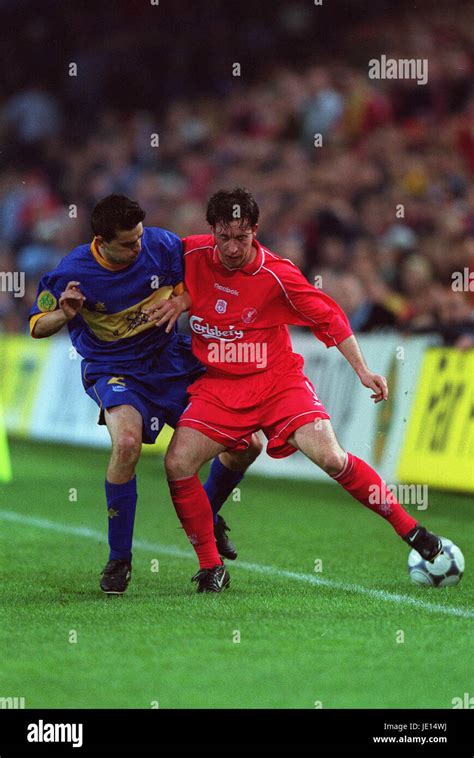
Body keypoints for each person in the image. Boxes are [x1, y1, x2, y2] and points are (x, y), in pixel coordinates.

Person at [148, 187, 443, 593]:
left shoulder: (276, 274)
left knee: (332, 457)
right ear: (212, 230)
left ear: (255, 230)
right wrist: (178, 296)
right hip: (218, 385)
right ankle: (211, 567)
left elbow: (330, 315)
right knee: (177, 463)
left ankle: (412, 531)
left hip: (277, 382)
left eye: (242, 237)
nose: (233, 248)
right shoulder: (189, 254)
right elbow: (138, 260)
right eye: (224, 237)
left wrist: (363, 370)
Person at [28, 194, 261, 594]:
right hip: (115, 370)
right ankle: (119, 559)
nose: (139, 246)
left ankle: (208, 512)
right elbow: (37, 325)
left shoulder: (162, 245)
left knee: (249, 444)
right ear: (100, 241)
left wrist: (181, 302)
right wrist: (64, 314)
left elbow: (195, 285)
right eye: (129, 243)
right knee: (127, 444)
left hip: (171, 361)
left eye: (139, 236)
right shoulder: (73, 271)